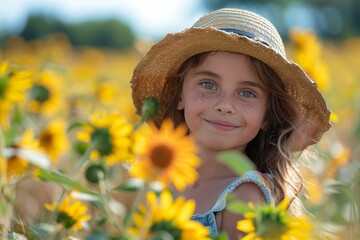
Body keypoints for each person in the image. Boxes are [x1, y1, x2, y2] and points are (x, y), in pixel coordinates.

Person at [130, 8, 331, 239]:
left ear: (267, 115)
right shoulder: (157, 179)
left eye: (246, 93)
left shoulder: (242, 196)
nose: (225, 105)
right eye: (208, 84)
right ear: (180, 95)